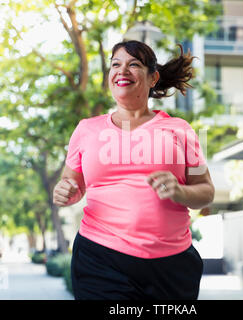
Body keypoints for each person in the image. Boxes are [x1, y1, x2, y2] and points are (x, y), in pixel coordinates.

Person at [53, 40, 215, 300]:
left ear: (153, 78)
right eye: (115, 64)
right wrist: (65, 192)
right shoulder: (87, 129)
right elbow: (72, 185)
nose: (122, 70)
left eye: (134, 65)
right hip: (100, 256)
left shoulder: (178, 129)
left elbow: (206, 191)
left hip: (171, 264)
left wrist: (181, 192)